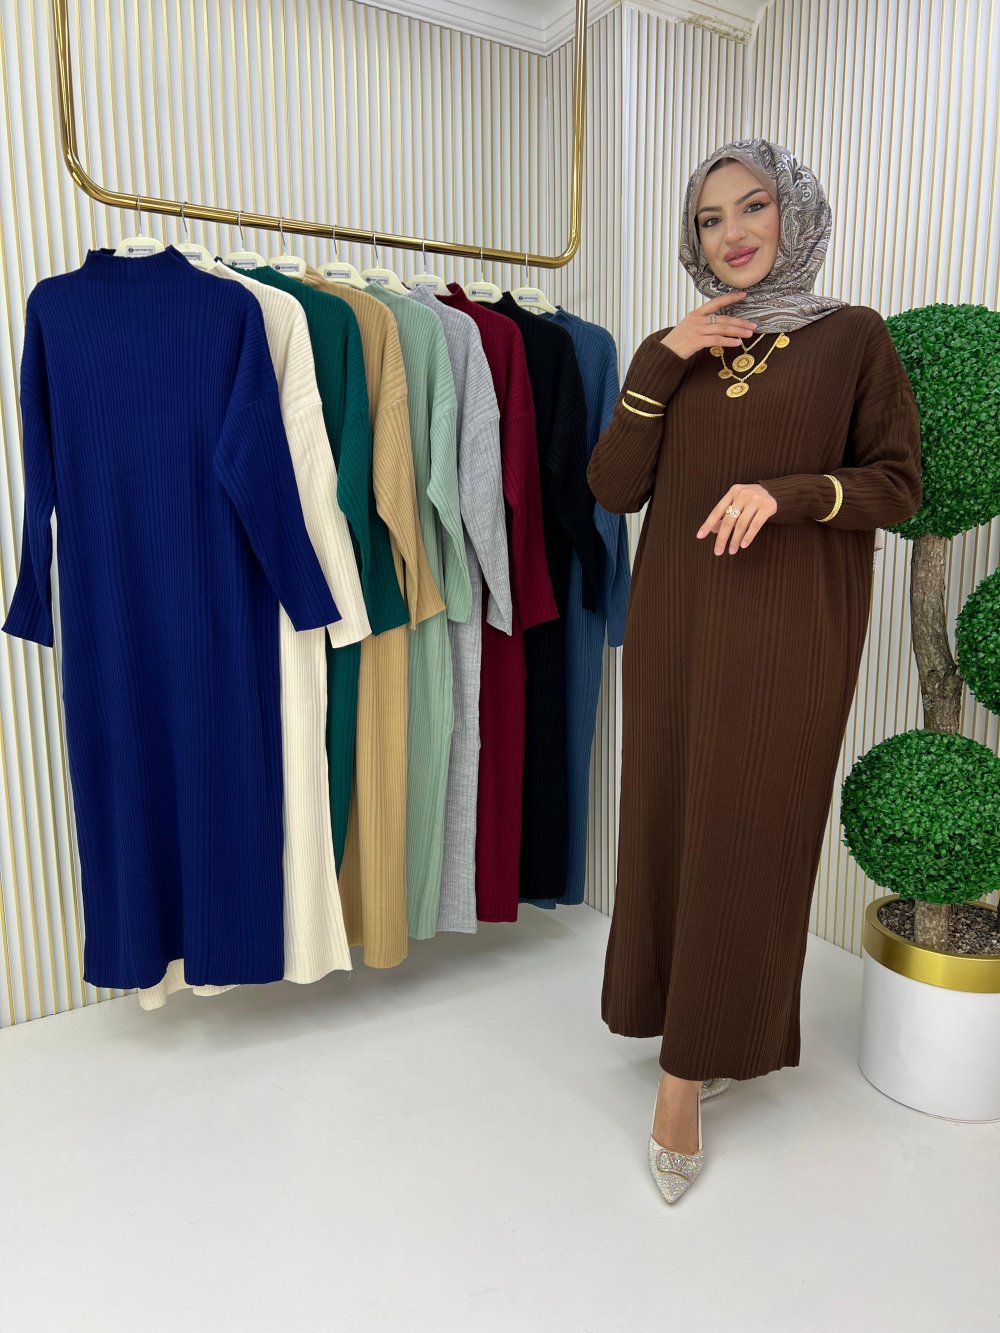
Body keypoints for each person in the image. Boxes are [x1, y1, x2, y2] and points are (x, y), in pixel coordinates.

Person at [586, 138, 922, 1204]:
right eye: (708, 218)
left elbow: (897, 483)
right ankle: (695, 1029)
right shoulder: (680, 348)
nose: (731, 233)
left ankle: (683, 1079)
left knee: (748, 832)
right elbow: (613, 487)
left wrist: (788, 493)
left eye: (753, 206)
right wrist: (660, 360)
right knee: (670, 821)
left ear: (796, 213)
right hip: (678, 628)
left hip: (787, 637)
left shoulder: (853, 337)